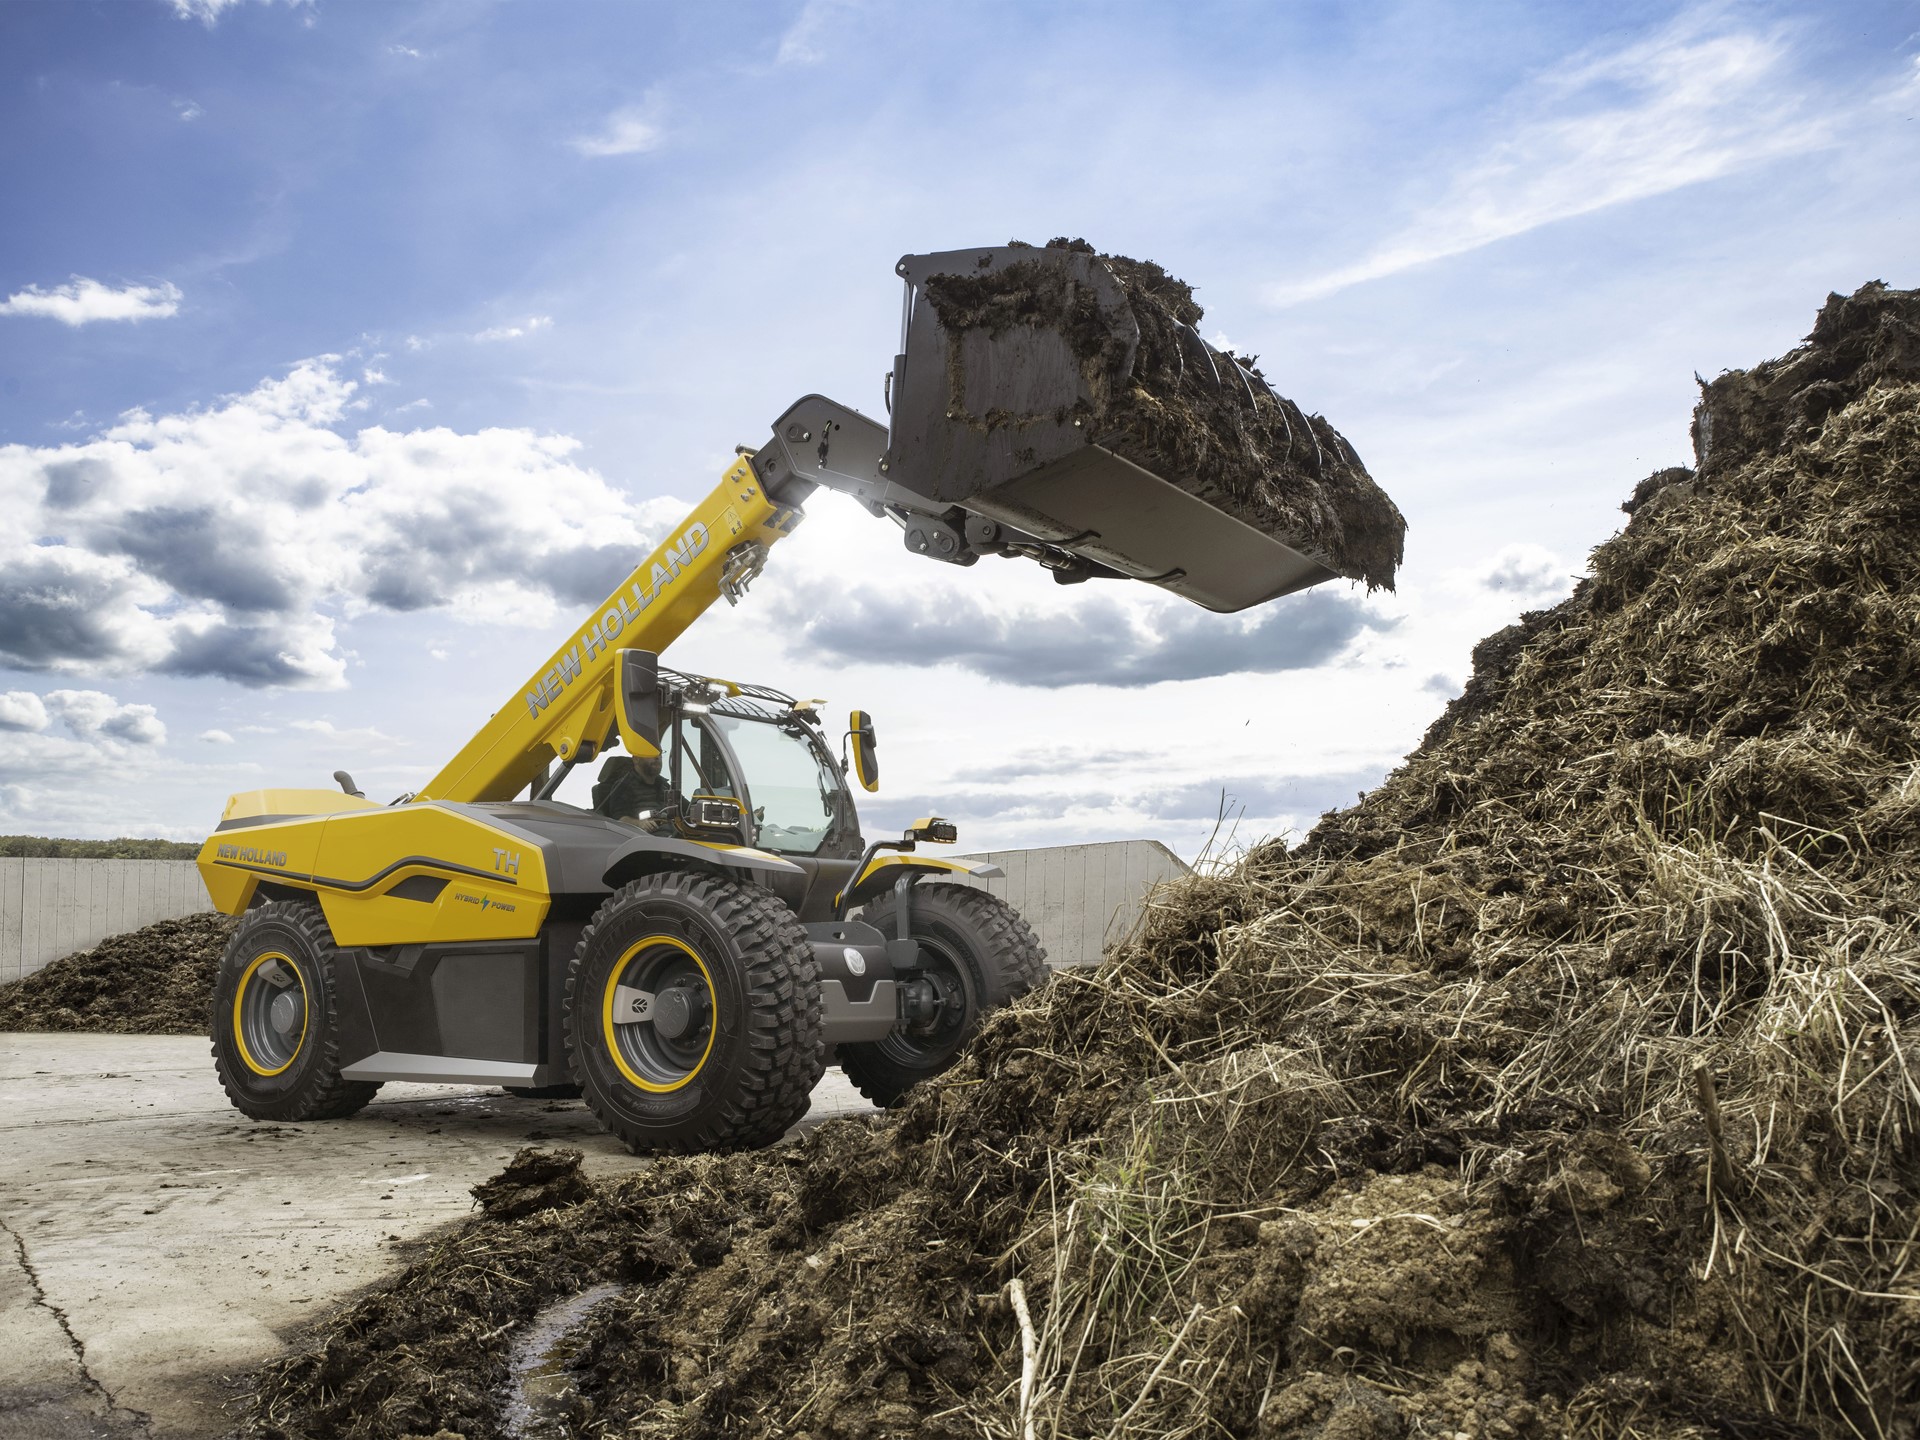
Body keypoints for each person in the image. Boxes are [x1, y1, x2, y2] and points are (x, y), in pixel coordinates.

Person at [591, 752, 675, 829]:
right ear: (636, 759)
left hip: (674, 836)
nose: (657, 757)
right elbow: (619, 819)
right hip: (644, 837)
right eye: (651, 753)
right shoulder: (624, 786)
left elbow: (681, 811)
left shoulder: (665, 786)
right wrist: (640, 824)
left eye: (660, 753)